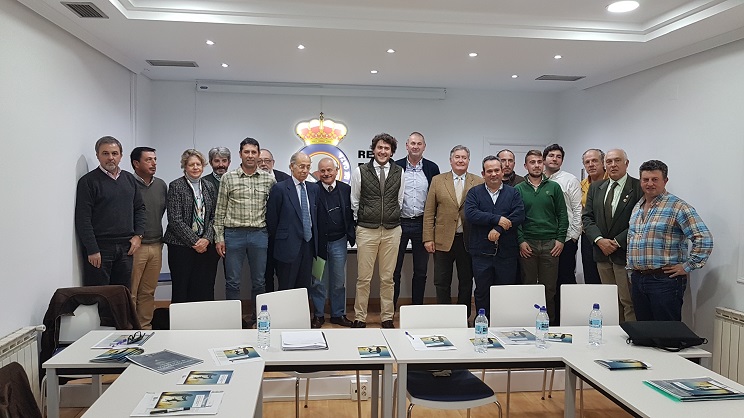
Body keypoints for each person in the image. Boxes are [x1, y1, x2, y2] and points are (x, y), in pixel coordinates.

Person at [627, 160, 713, 321]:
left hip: (665, 281)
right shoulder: (638, 207)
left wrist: (688, 266)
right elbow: (632, 239)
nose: (650, 184)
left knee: (666, 333)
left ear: (665, 181)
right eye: (645, 179)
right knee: (644, 332)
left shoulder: (678, 207)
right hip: (639, 280)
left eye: (655, 179)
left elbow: (704, 238)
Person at [214, 138, 275, 324]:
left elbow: (273, 209)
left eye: (253, 152)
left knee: (259, 281)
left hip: (259, 234)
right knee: (232, 281)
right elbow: (220, 210)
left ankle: (258, 319)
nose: (250, 155)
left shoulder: (268, 179)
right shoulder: (228, 178)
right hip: (234, 235)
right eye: (246, 152)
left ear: (258, 155)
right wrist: (219, 237)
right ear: (240, 154)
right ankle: (233, 320)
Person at [75, 136, 146, 288]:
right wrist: (92, 249)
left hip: (126, 247)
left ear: (121, 155)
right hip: (100, 249)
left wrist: (138, 235)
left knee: (122, 293)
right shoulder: (88, 182)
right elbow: (83, 218)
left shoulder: (129, 179)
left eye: (114, 153)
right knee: (99, 293)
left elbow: (139, 208)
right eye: (105, 153)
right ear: (97, 155)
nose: (110, 158)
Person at [351, 133, 405, 328]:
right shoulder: (361, 171)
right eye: (379, 148)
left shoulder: (399, 171)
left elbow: (399, 199)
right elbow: (355, 200)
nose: (383, 151)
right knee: (363, 278)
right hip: (367, 230)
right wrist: (364, 219)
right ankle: (359, 317)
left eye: (387, 148)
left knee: (387, 278)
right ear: (373, 150)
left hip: (392, 230)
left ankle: (387, 317)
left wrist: (391, 216)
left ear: (392, 152)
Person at [423, 145, 483, 319]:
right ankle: (445, 316)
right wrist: (428, 238)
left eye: (464, 157)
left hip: (468, 240)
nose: (460, 160)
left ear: (468, 161)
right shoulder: (437, 180)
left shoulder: (478, 181)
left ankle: (463, 317)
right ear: (450, 160)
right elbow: (429, 212)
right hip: (442, 240)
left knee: (466, 281)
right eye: (457, 157)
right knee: (441, 281)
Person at [583, 149, 642, 322]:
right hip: (602, 253)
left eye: (617, 160)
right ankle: (613, 334)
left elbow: (640, 220)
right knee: (609, 301)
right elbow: (587, 217)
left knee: (628, 301)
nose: (613, 165)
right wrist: (599, 240)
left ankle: (629, 334)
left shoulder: (638, 187)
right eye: (609, 162)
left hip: (624, 253)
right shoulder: (596, 187)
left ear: (626, 163)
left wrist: (617, 242)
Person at [464, 156, 525, 318]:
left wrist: (499, 228)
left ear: (502, 172)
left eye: (497, 170)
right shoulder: (474, 193)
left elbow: (518, 215)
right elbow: (471, 214)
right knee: (482, 291)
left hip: (507, 254)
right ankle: (483, 323)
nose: (493, 174)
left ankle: (502, 324)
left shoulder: (513, 193)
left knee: (504, 291)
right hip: (481, 253)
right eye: (489, 171)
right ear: (483, 174)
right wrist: (497, 219)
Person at [514, 150, 568, 324]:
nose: (536, 165)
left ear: (543, 164)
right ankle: (528, 322)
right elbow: (516, 218)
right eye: (532, 162)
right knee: (528, 287)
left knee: (549, 289)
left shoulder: (554, 187)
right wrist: (521, 241)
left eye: (539, 162)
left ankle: (548, 324)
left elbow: (562, 214)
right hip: (527, 244)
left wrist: (560, 239)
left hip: (550, 245)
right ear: (526, 166)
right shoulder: (518, 189)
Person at [163, 149, 220, 302]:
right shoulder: (176, 186)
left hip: (205, 246)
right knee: (182, 288)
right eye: (191, 165)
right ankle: (181, 318)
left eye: (198, 164)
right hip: (181, 246)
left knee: (204, 287)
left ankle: (202, 316)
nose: (195, 167)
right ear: (185, 167)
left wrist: (206, 239)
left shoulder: (209, 186)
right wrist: (195, 241)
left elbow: (214, 216)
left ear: (203, 166)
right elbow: (175, 219)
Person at [393, 132, 440, 307]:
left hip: (422, 224)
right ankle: (390, 309)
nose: (415, 146)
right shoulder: (396, 166)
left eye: (419, 143)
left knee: (421, 270)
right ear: (407, 146)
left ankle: (417, 307)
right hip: (399, 223)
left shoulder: (432, 168)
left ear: (424, 147)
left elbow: (436, 197)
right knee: (394, 269)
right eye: (412, 143)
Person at [310, 158, 356, 328]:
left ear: (336, 171)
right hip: (318, 245)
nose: (326, 174)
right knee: (318, 281)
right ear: (318, 173)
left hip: (339, 242)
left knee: (338, 281)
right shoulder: (313, 190)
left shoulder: (346, 189)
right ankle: (319, 315)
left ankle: (338, 314)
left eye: (329, 170)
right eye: (322, 171)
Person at [266, 152, 319, 291]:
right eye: (301, 166)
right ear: (291, 166)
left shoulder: (313, 188)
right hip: (287, 246)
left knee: (304, 288)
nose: (305, 170)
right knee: (287, 288)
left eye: (308, 167)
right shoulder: (280, 188)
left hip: (308, 246)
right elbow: (272, 219)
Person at [543, 144, 582, 324]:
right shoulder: (538, 179)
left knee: (564, 279)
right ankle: (550, 319)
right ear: (544, 159)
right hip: (545, 239)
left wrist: (573, 237)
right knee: (548, 282)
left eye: (558, 156)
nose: (555, 159)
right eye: (551, 155)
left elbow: (577, 209)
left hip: (566, 239)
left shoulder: (570, 180)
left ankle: (566, 320)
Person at [129, 147, 167, 329]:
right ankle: (129, 329)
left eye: (155, 159)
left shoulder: (160, 185)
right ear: (136, 163)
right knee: (131, 291)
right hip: (136, 247)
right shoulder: (128, 183)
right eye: (148, 160)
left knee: (148, 291)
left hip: (157, 244)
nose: (154, 163)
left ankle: (145, 328)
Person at [258, 148, 290, 293]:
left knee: (284, 275)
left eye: (267, 161)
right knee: (265, 275)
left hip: (282, 237)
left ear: (273, 162)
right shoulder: (251, 180)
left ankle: (282, 305)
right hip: (261, 235)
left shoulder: (285, 179)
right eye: (260, 161)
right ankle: (267, 304)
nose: (263, 164)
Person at [579, 149, 607, 285]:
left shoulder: (612, 181)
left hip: (608, 235)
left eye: (595, 161)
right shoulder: (582, 185)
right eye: (587, 162)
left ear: (603, 163)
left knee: (608, 278)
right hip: (588, 235)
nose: (591, 165)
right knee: (590, 275)